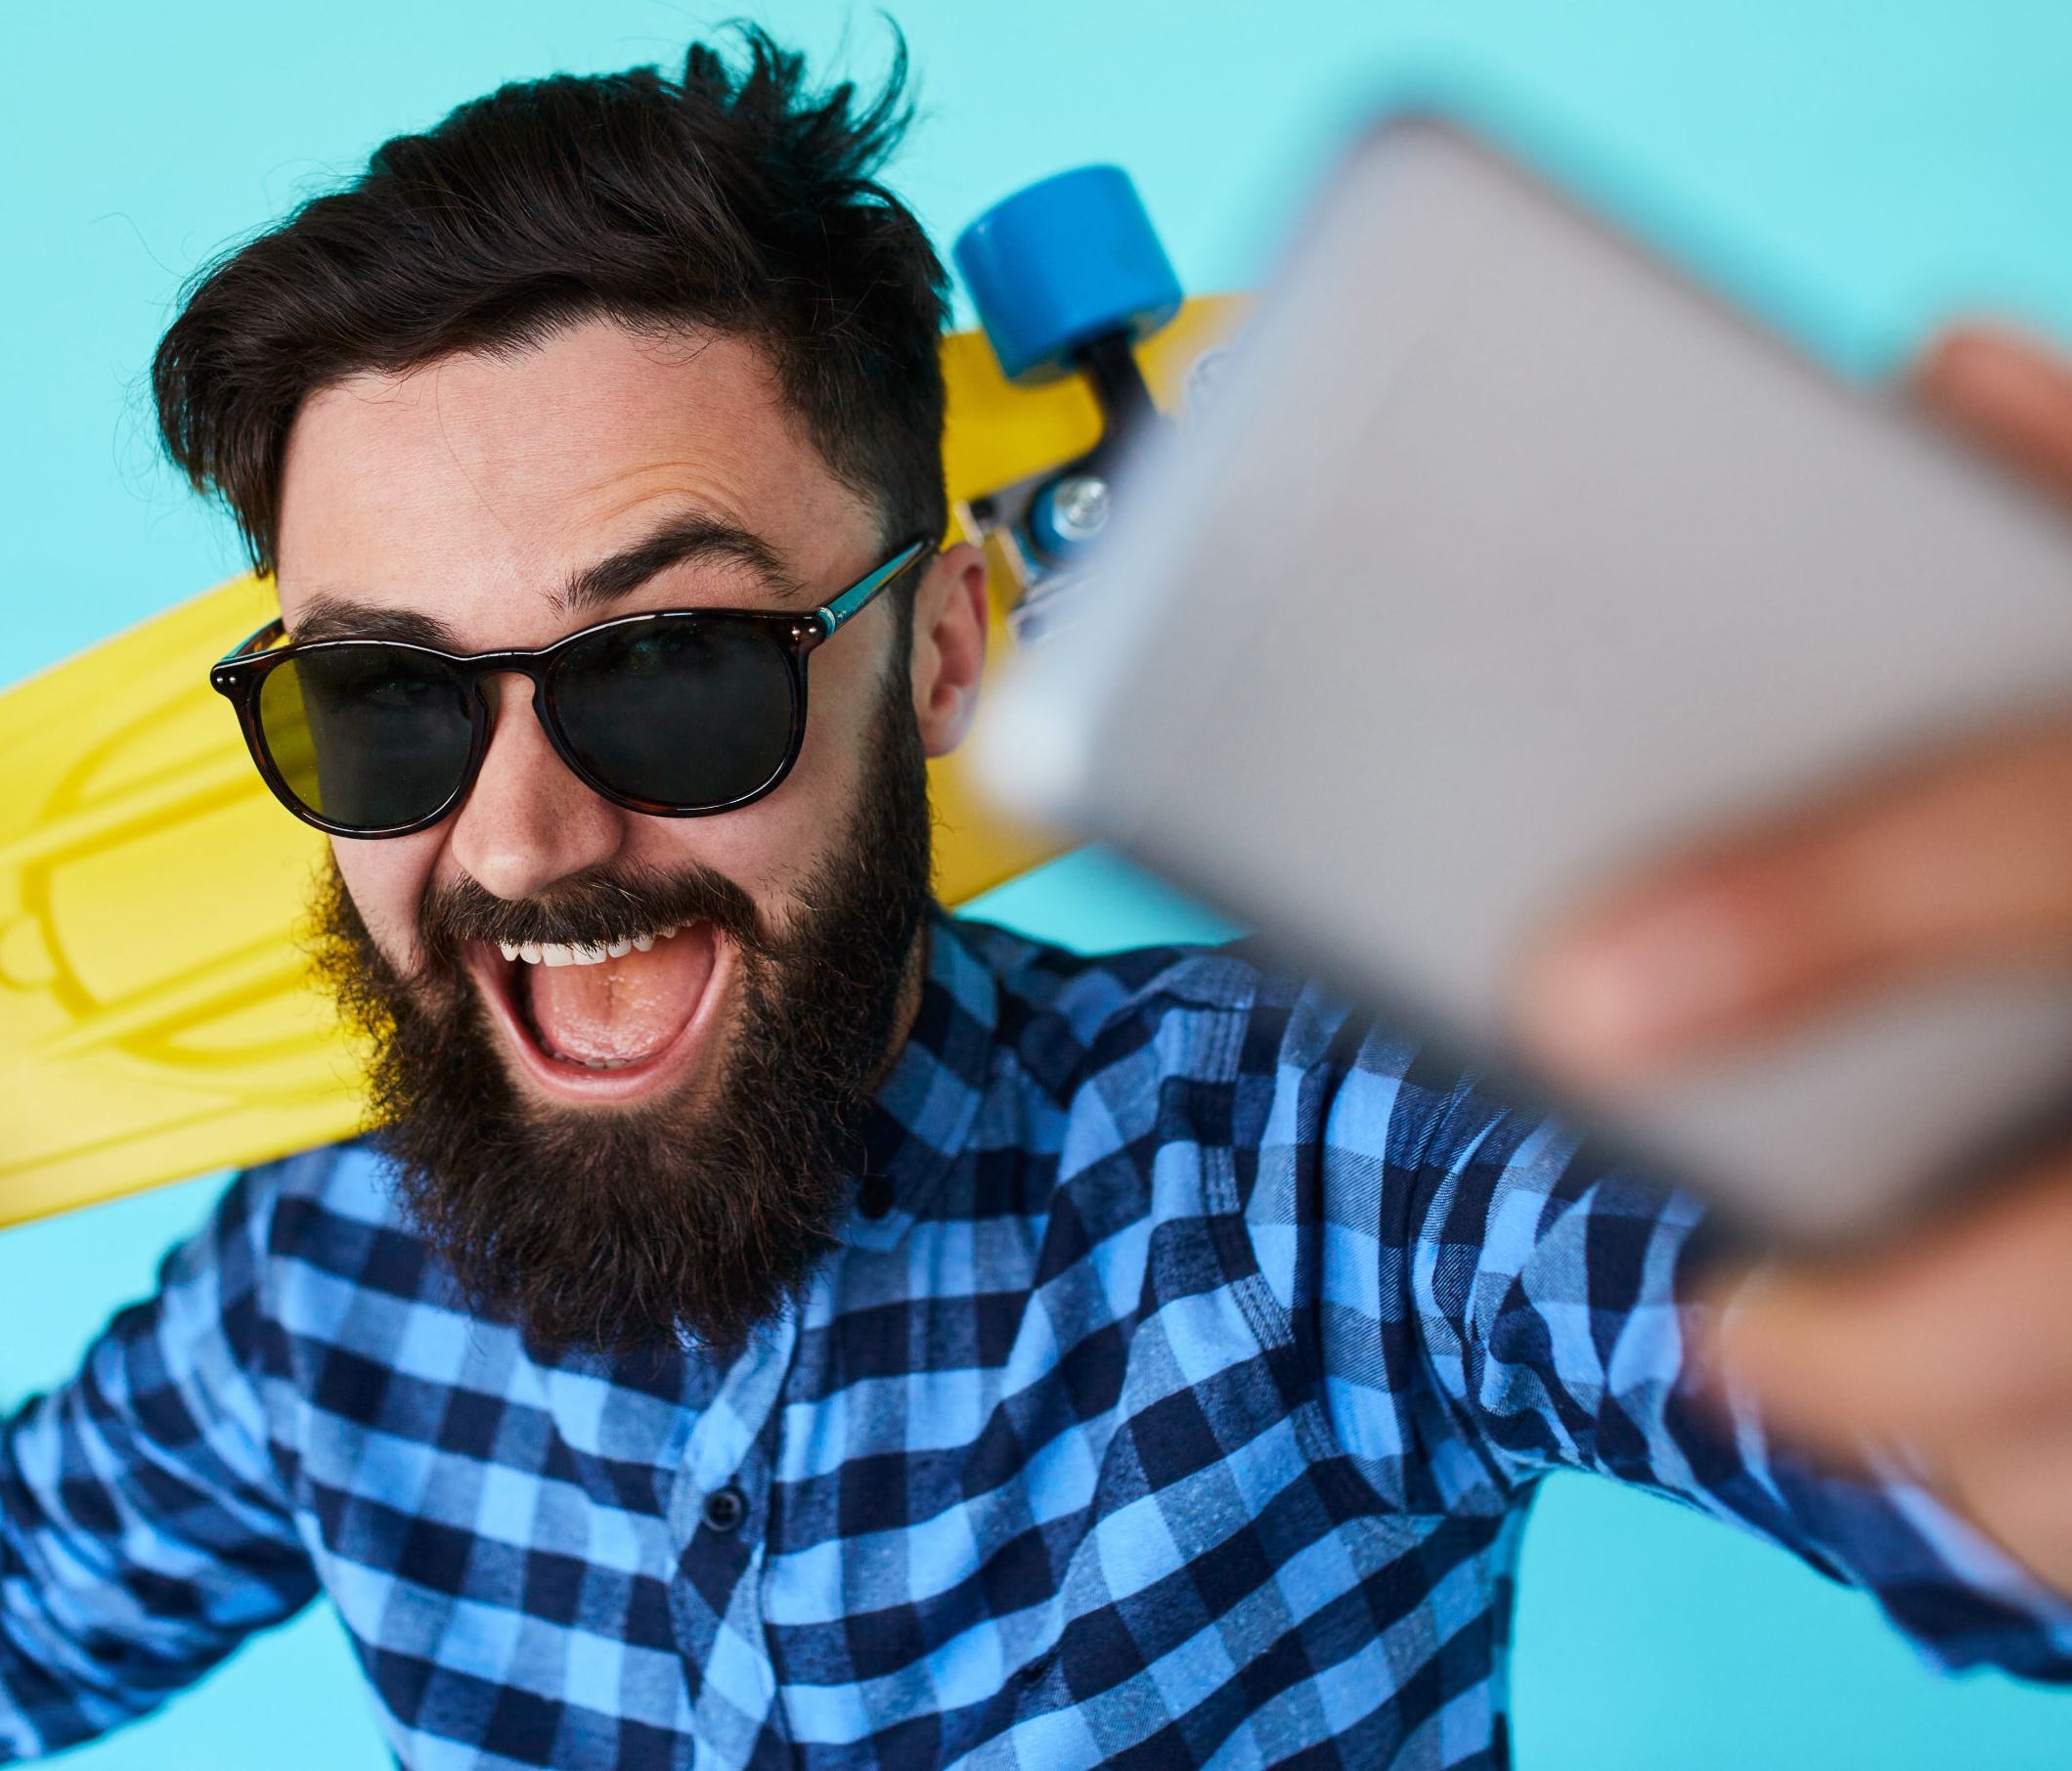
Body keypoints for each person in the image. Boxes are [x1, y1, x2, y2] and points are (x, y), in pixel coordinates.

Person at [1, 27, 2067, 1769]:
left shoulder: (1293, 1173)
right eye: (382, 702)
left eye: (670, 666)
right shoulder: (304, 1293)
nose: (523, 841)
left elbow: (1940, 1426)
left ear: (948, 655)